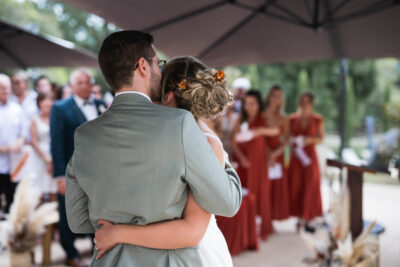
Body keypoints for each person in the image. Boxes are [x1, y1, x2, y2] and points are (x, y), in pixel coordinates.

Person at [65, 31, 242, 267]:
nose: (159, 70)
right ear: (143, 67)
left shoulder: (84, 134)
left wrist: (117, 225)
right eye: (157, 63)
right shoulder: (179, 124)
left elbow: (77, 220)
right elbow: (227, 204)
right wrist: (221, 159)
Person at [50, 68, 107, 267]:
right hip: (72, 171)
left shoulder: (101, 105)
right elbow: (56, 144)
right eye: (80, 82)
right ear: (73, 86)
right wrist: (59, 176)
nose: (85, 85)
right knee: (68, 212)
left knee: (98, 210)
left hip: (99, 171)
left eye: (87, 82)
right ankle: (70, 252)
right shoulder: (60, 107)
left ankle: (97, 248)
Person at [231, 90, 278, 240]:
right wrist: (241, 157)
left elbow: (276, 130)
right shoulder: (240, 119)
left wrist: (259, 131)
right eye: (246, 103)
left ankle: (262, 228)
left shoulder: (263, 118)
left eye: (252, 104)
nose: (248, 107)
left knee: (261, 194)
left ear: (258, 105)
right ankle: (247, 230)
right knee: (245, 195)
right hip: (244, 163)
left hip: (259, 164)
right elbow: (232, 142)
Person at [288, 92, 324, 230]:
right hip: (296, 157)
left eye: (307, 102)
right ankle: (300, 216)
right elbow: (287, 136)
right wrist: (292, 141)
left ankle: (309, 218)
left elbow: (321, 138)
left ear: (312, 104)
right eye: (302, 102)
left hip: (309, 157)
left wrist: (308, 140)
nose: (305, 105)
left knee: (311, 185)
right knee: (297, 185)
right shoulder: (292, 119)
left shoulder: (317, 119)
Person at [0, 74, 26, 216]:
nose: (7, 91)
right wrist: (5, 149)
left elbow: (24, 132)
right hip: (0, 162)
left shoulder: (17, 108)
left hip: (15, 164)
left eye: (8, 87)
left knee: (12, 200)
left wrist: (20, 142)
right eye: (3, 88)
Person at [263, 85, 291, 220]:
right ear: (269, 97)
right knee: (264, 186)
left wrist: (275, 154)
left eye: (279, 96)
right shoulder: (261, 114)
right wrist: (268, 153)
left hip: (277, 155)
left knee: (276, 187)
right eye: (273, 95)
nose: (275, 99)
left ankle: (272, 218)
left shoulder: (283, 118)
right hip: (262, 153)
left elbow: (287, 140)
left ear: (281, 100)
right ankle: (263, 217)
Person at [30, 92, 57, 202]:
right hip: (39, 157)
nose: (48, 103)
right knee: (38, 192)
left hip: (54, 153)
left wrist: (53, 159)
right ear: (39, 103)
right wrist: (46, 159)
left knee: (53, 189)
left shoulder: (57, 118)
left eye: (50, 100)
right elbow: (34, 141)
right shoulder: (34, 119)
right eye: (44, 100)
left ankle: (55, 218)